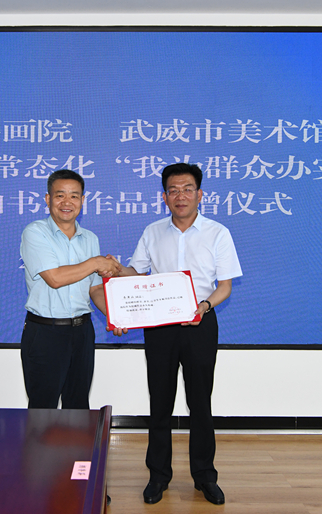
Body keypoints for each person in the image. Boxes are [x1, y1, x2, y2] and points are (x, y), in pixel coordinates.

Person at [113, 163, 242, 505]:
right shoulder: (152, 232)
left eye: (187, 189)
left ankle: (205, 476)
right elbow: (136, 273)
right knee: (160, 402)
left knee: (200, 403)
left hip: (201, 322)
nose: (180, 196)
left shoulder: (218, 233)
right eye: (173, 190)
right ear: (164, 197)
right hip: (160, 327)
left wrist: (205, 305)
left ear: (200, 194)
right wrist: (113, 269)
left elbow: (225, 285)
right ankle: (158, 476)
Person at [20, 169, 122, 409]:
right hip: (46, 333)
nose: (67, 202)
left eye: (74, 196)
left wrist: (115, 316)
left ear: (83, 200)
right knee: (42, 409)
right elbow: (54, 278)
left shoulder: (90, 239)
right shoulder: (35, 232)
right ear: (48, 199)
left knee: (78, 407)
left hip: (82, 332)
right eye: (60, 195)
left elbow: (95, 289)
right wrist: (96, 262)